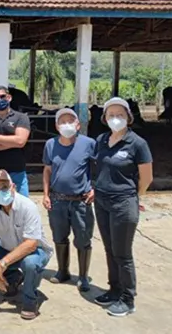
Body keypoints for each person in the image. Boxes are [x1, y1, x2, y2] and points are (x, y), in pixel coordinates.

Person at [92, 97, 153, 317]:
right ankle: (114, 289)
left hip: (123, 203)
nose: (115, 119)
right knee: (110, 249)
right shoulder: (101, 140)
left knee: (123, 253)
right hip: (101, 201)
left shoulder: (137, 144)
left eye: (120, 115)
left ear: (128, 117)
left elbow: (146, 177)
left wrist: (135, 198)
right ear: (105, 118)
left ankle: (128, 299)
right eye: (111, 115)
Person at [0, 169, 53, 320]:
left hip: (35, 251)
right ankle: (12, 280)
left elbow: (31, 244)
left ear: (13, 186)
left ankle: (30, 300)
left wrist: (3, 263)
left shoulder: (28, 206)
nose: (1, 192)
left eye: (4, 187)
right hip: (7, 248)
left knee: (30, 264)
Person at [42, 108, 96, 293]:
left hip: (81, 201)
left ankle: (82, 276)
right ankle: (62, 271)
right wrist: (46, 194)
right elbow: (47, 170)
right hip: (58, 200)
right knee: (59, 236)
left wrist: (94, 187)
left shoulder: (89, 144)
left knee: (83, 237)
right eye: (62, 122)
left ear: (78, 124)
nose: (66, 125)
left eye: (70, 121)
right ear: (57, 126)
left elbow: (99, 167)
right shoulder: (50, 144)